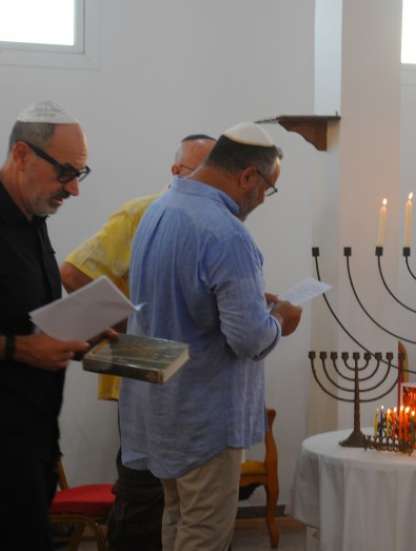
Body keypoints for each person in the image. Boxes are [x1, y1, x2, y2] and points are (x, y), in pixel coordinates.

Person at [119, 122, 302, 550]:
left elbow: (177, 302)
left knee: (177, 520)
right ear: (248, 177)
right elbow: (249, 339)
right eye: (267, 189)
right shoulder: (226, 232)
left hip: (161, 408)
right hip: (204, 415)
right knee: (203, 533)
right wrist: (281, 319)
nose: (261, 200)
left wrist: (249, 303)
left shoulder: (160, 208)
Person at [59, 133, 215, 551]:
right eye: (197, 171)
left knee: (192, 508)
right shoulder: (144, 213)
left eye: (213, 174)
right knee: (145, 499)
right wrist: (133, 326)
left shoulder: (214, 224)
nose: (206, 182)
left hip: (196, 386)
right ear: (175, 171)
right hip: (145, 382)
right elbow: (74, 271)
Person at [0, 101, 93, 550]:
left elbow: (27, 314)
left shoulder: (34, 218)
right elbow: (21, 337)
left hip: (33, 441)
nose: (73, 189)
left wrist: (83, 331)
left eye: (80, 173)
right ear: (21, 155)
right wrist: (17, 349)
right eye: (65, 172)